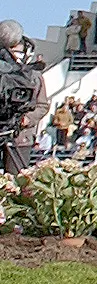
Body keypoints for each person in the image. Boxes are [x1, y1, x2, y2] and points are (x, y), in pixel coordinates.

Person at [0, 20, 50, 173]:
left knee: (17, 180)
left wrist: (27, 119)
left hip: (20, 137)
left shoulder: (34, 77)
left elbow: (42, 106)